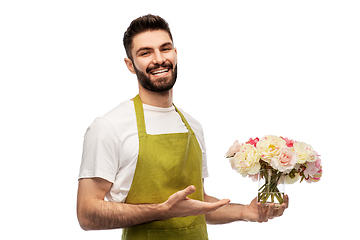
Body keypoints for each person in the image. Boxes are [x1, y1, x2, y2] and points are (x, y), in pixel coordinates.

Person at [77, 14, 288, 239]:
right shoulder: (109, 127)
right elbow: (87, 214)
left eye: (165, 49)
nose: (158, 59)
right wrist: (161, 211)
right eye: (145, 52)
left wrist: (245, 211)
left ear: (175, 54)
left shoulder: (192, 127)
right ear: (130, 65)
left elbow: (197, 205)